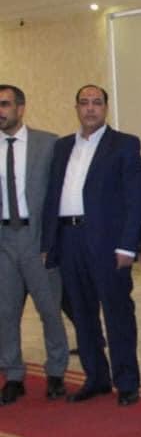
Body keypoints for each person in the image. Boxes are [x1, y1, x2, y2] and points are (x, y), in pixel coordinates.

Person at [42, 85, 141, 406]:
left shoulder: (124, 144)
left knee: (117, 312)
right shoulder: (62, 147)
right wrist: (49, 242)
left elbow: (136, 199)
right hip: (69, 238)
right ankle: (96, 377)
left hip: (107, 242)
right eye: (84, 103)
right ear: (76, 107)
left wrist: (128, 245)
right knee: (82, 313)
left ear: (106, 107)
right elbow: (52, 195)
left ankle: (126, 382)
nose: (90, 108)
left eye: (96, 103)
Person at [0, 85, 68, 405]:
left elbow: (60, 195)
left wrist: (53, 240)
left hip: (37, 238)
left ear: (21, 107)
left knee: (49, 310)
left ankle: (56, 372)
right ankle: (13, 374)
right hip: (3, 239)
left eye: (4, 104)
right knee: (5, 312)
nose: (0, 111)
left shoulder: (48, 144)